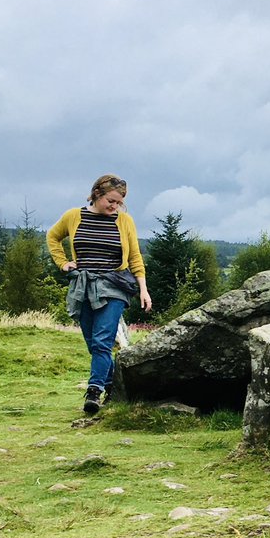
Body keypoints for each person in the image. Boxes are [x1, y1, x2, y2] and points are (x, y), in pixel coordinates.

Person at [47, 174, 152, 415]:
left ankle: (93, 391)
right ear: (97, 194)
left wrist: (144, 290)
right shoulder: (74, 216)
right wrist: (63, 263)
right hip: (83, 286)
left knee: (103, 339)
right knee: (94, 344)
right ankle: (114, 389)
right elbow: (52, 237)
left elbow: (135, 257)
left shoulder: (125, 221)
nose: (114, 207)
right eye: (111, 201)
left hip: (114, 286)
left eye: (119, 203)